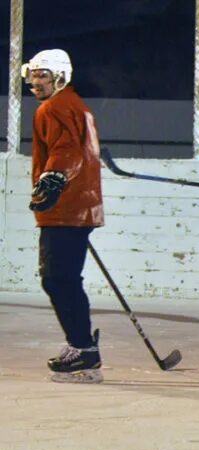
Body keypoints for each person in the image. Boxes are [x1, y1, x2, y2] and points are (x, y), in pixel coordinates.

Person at [22, 49, 106, 383]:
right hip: (78, 205)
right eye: (32, 76)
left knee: (57, 278)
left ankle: (83, 350)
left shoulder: (54, 107)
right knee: (63, 277)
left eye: (42, 75)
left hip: (67, 207)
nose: (35, 82)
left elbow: (66, 151)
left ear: (60, 76)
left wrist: (53, 179)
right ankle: (82, 345)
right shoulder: (74, 105)